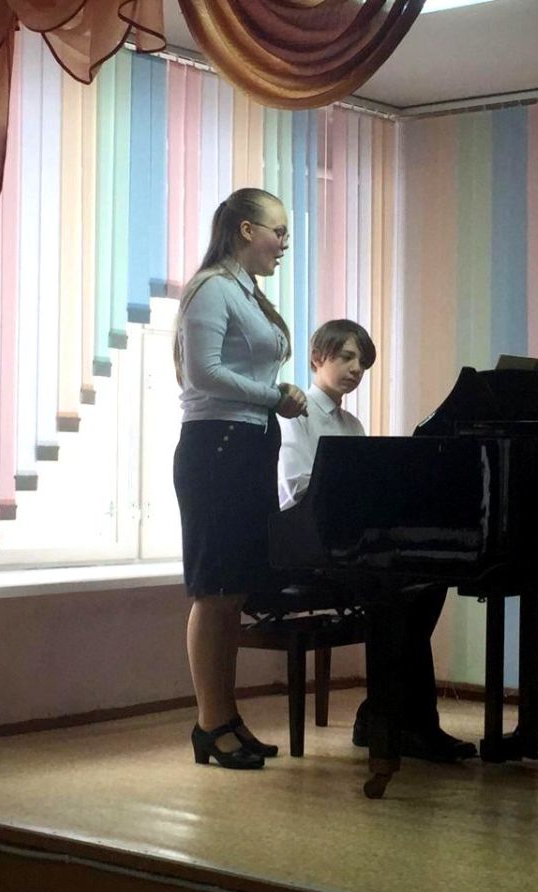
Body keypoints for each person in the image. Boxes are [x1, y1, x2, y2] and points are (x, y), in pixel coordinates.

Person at [277, 319, 477, 763]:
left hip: (351, 546)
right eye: (346, 357)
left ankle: (390, 715)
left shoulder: (352, 424)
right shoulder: (296, 417)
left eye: (362, 363)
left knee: (427, 582)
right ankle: (402, 723)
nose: (356, 369)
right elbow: (296, 489)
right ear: (318, 358)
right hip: (311, 550)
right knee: (401, 593)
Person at [173, 187, 308, 770]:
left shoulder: (246, 292)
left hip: (248, 447)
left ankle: (225, 718)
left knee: (234, 595)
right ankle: (210, 723)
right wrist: (274, 396)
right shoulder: (211, 288)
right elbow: (203, 374)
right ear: (247, 230)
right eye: (279, 231)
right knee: (215, 591)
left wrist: (274, 398)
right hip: (217, 451)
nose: (284, 243)